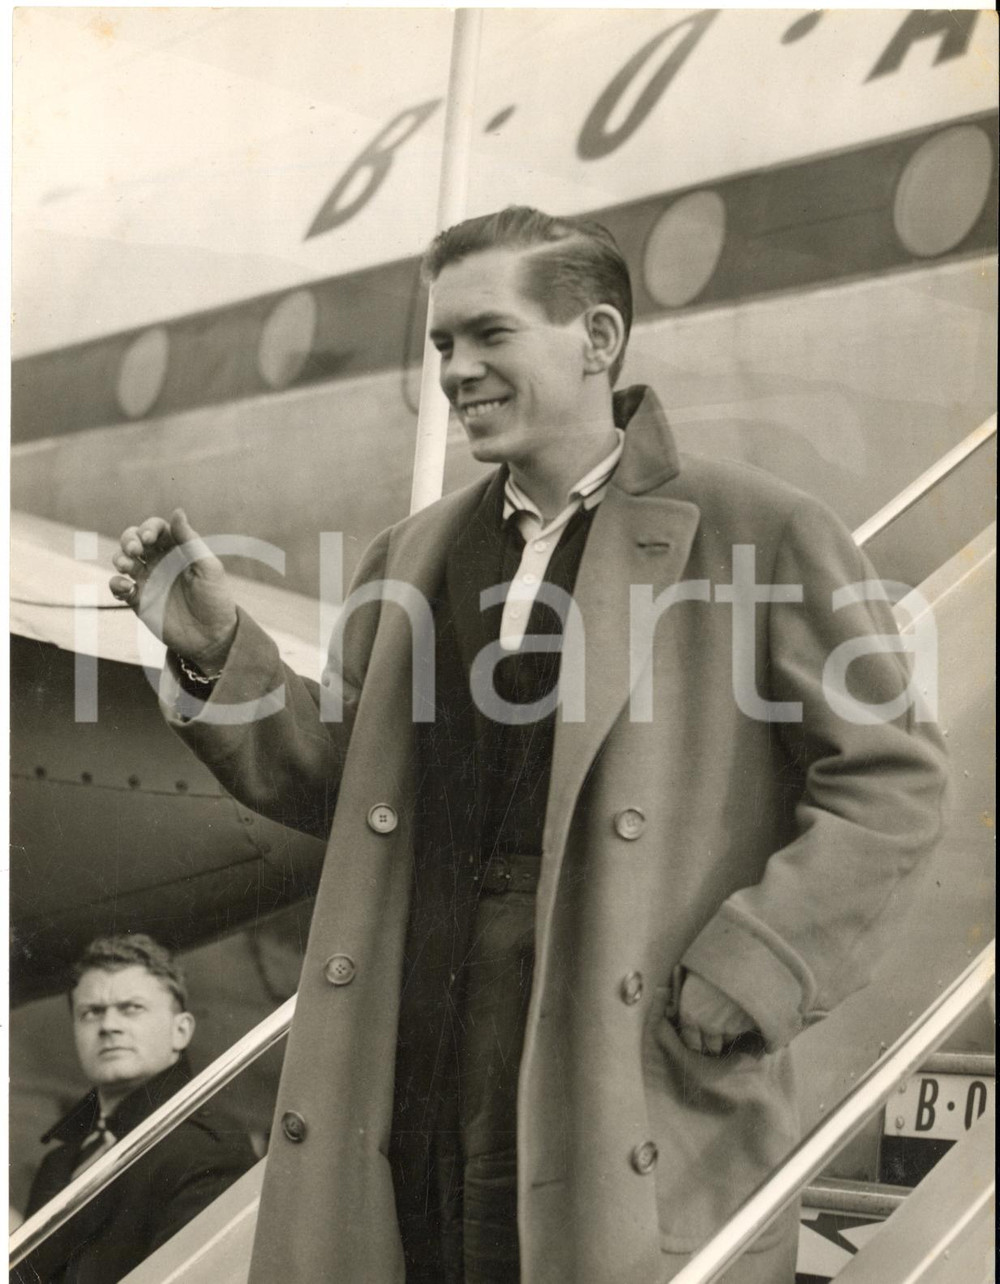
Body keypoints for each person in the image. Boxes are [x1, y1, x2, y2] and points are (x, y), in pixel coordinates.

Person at [110, 207, 948, 1283]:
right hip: (418, 1028)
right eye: (441, 346)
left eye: (487, 334)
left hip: (614, 1047)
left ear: (596, 338)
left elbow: (890, 780)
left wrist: (762, 963)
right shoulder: (410, 554)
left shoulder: (758, 529)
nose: (455, 371)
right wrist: (220, 653)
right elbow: (341, 782)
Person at [13, 935, 255, 1284]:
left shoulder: (206, 1150)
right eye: (91, 1012)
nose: (109, 1026)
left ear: (181, 1030)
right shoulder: (60, 1162)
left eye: (132, 1008)